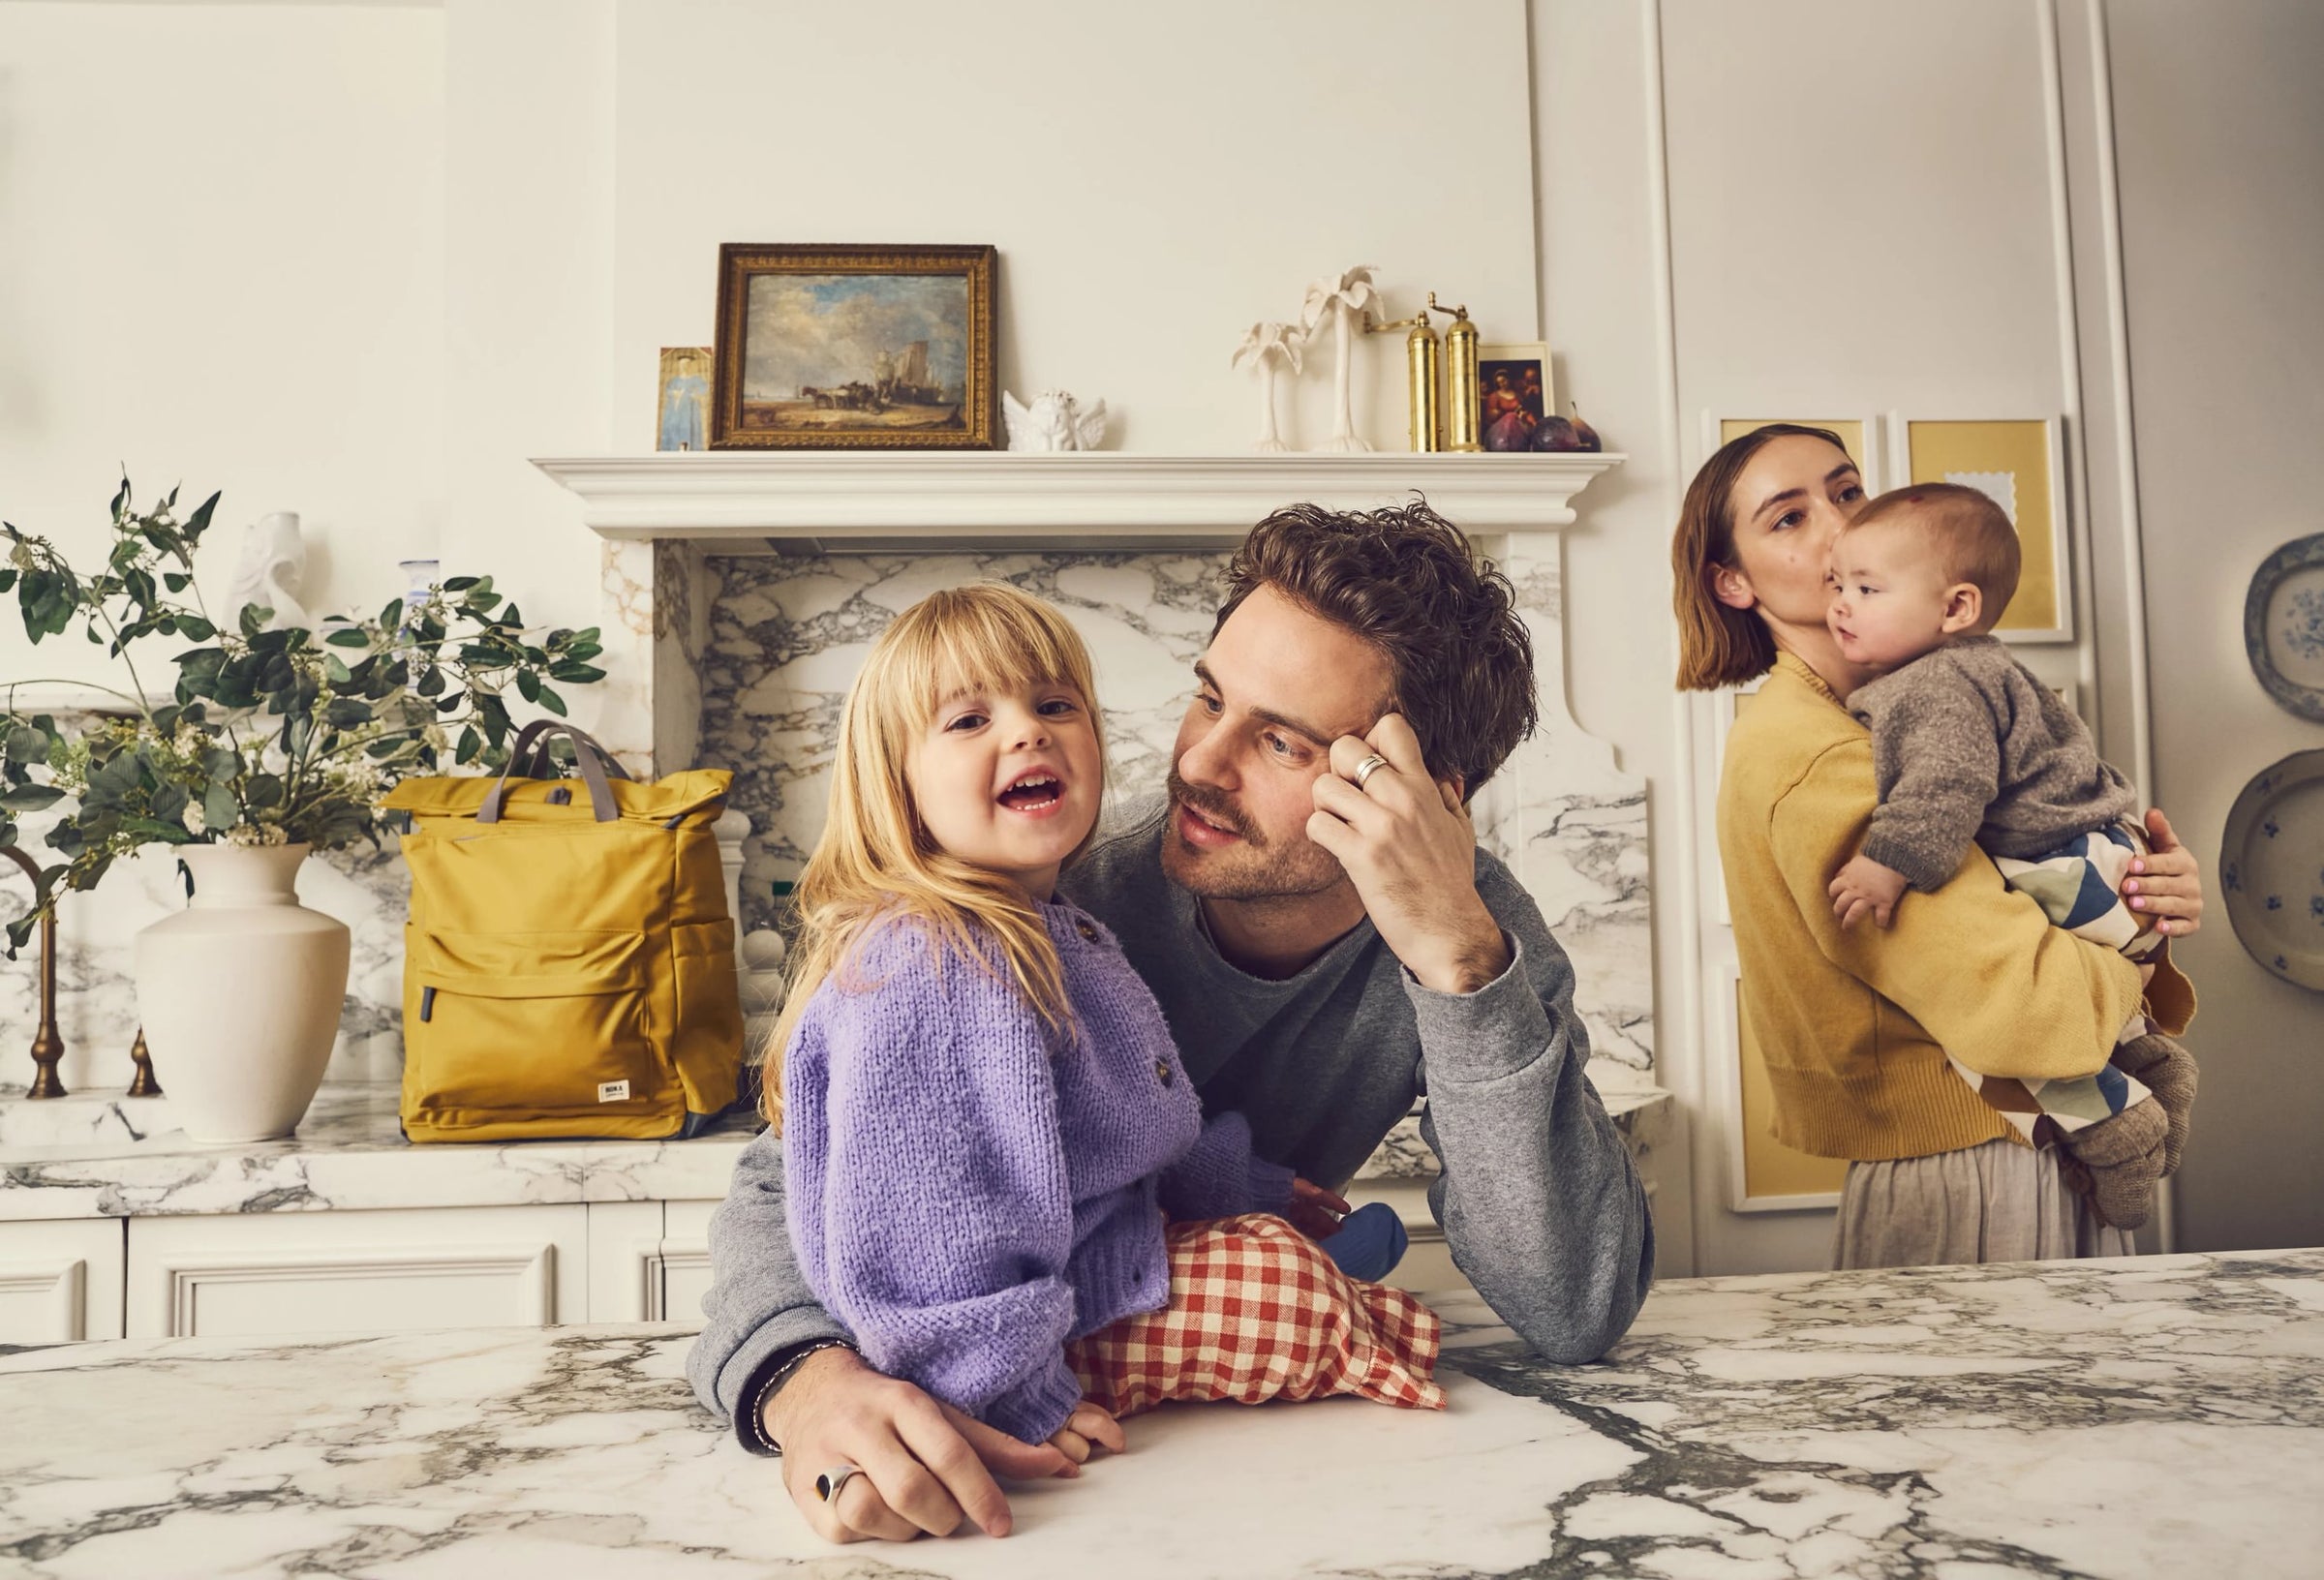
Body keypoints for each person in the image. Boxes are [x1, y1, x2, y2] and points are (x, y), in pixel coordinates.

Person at [688, 500, 1655, 1544]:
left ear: (1420, 798)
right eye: (1209, 698)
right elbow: (794, 1179)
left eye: (1280, 741)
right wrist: (808, 1384)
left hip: (1271, 1478)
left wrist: (1458, 971)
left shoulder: (1476, 940)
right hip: (1056, 1471)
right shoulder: (1052, 896)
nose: (1199, 763)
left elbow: (1576, 1306)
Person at [760, 581, 1445, 1479]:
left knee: (1272, 1255)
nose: (1028, 733)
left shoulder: (1052, 929)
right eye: (969, 721)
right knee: (1279, 1288)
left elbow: (1122, 1120)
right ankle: (1352, 1327)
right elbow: (936, 1231)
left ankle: (1332, 1285)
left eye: (1054, 706)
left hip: (1098, 1256)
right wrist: (1008, 1394)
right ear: (899, 785)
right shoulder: (933, 962)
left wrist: (1251, 1186)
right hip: (1027, 1330)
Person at [1671, 424, 2204, 1273]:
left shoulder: (1917, 707)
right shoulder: (1816, 753)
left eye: (1848, 492)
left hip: (2024, 1141)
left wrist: (2144, 885)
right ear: (1731, 581)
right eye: (1789, 518)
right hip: (1978, 1164)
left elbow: (2033, 887)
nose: (1841, 526)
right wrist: (2132, 952)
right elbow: (2028, 1008)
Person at [1822, 483, 2199, 1227]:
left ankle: (2118, 1130)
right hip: (2101, 857)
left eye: (1866, 589)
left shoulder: (1932, 684)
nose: (1841, 604)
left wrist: (1886, 862)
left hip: (2060, 868)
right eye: (1838, 585)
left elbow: (1948, 782)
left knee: (1995, 1031)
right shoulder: (1979, 665)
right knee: (2059, 993)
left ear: (1955, 608)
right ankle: (2150, 1061)